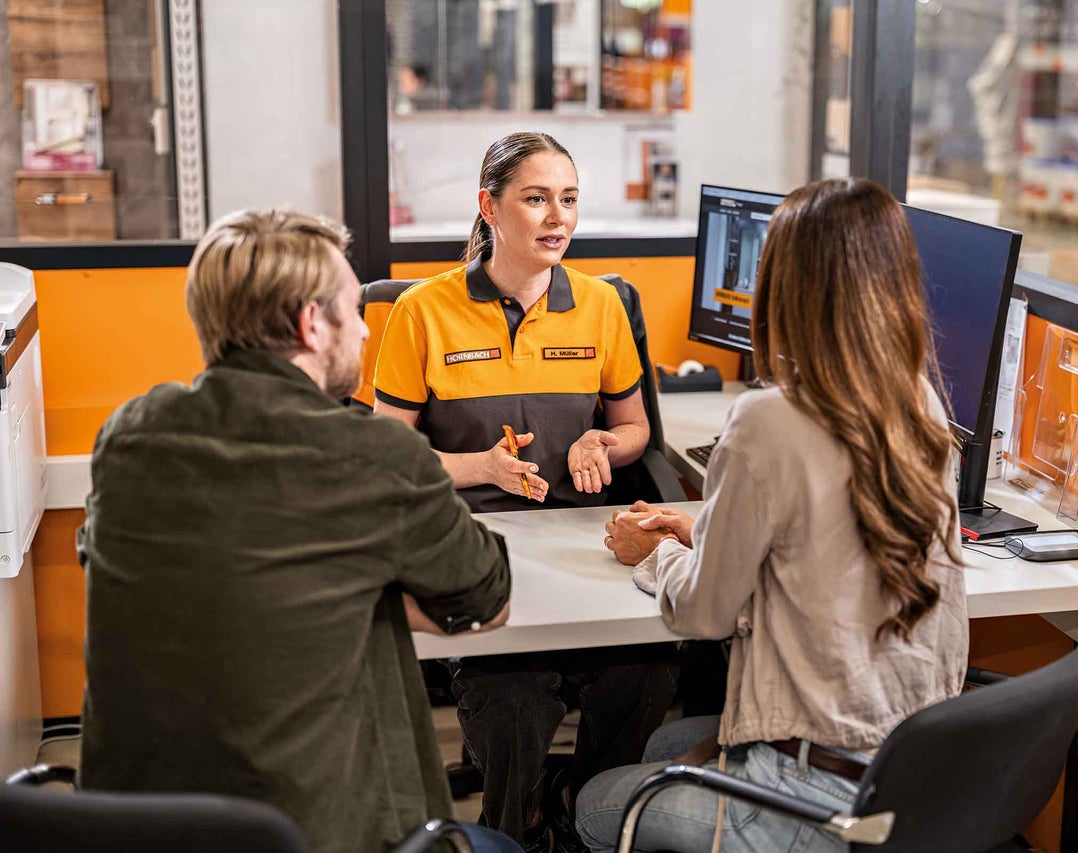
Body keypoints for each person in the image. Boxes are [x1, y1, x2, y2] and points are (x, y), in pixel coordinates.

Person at [77, 209, 520, 853]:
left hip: (130, 828)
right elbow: (489, 601)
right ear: (312, 324)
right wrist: (358, 589)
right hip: (310, 830)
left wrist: (320, 587)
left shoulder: (131, 434)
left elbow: (181, 576)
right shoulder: (370, 454)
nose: (364, 329)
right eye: (354, 310)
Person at [575, 178, 970, 852]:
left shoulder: (767, 419)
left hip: (809, 796)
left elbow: (704, 614)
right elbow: (832, 543)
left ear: (785, 288)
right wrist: (702, 531)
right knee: (669, 741)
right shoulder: (920, 403)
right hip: (908, 773)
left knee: (593, 803)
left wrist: (658, 555)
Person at [372, 131, 678, 850]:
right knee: (510, 695)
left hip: (579, 543)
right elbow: (384, 458)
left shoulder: (601, 304)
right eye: (536, 199)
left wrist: (603, 442)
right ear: (490, 207)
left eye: (568, 199)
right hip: (472, 548)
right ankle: (517, 829)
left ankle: (593, 817)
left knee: (647, 668)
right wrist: (480, 468)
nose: (557, 217)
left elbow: (635, 429)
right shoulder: (422, 310)